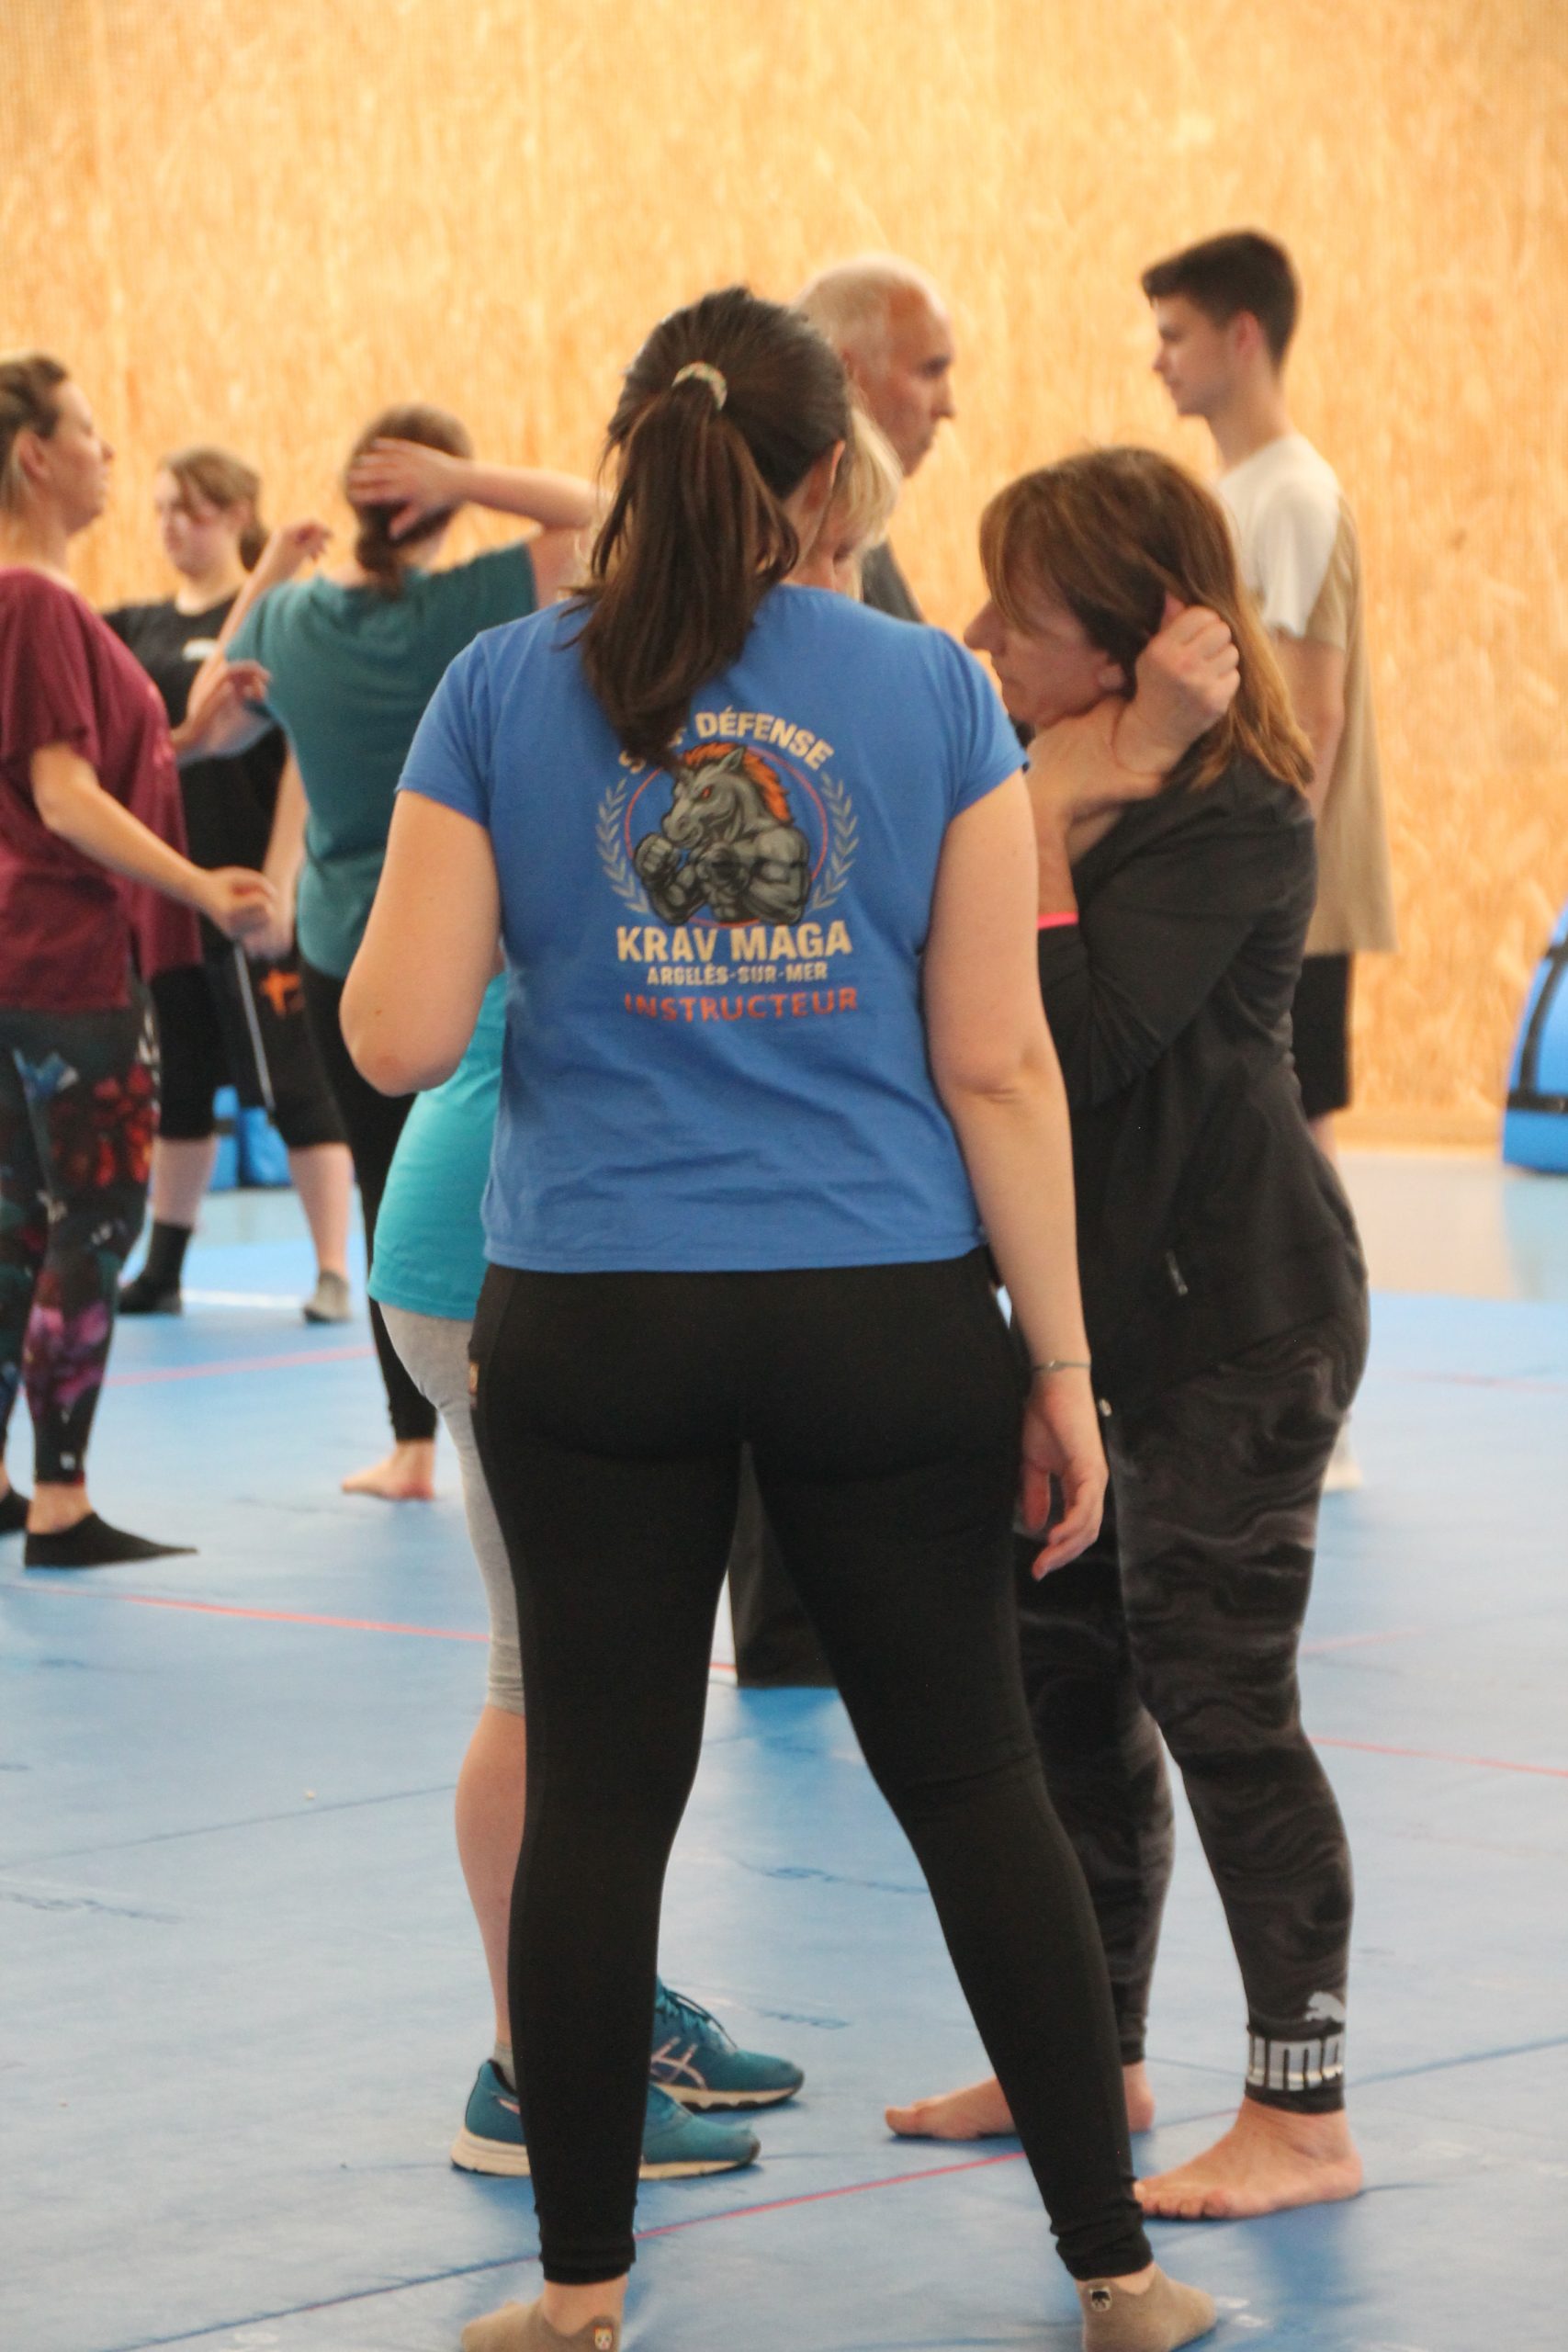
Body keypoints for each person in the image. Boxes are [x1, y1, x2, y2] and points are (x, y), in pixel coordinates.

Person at [344, 288, 1215, 2352]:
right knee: (973, 1777)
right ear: (833, 478)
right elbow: (998, 1063)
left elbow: (394, 1036)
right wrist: (1061, 1363)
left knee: (600, 1793)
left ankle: (577, 2289)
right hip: (874, 1311)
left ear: (630, 452)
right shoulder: (925, 690)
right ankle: (1117, 2273)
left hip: (598, 1314)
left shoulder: (503, 684)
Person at [886, 447, 1369, 2227]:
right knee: (1065, 1687)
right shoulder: (1061, 779)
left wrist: (1048, 793)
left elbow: (1068, 1046)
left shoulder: (1236, 813)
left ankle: (1302, 2115)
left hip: (1241, 1322)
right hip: (1092, 1329)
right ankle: (1087, 2054)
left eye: (1021, 616)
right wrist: (1061, 776)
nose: (981, 636)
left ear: (1135, 638)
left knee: (1220, 1700)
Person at [370, 978, 805, 2184]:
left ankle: (598, 1996)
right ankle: (539, 2068)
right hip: (502, 1257)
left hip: (519, 1240)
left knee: (585, 1676)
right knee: (549, 1681)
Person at [197, 409, 597, 1499]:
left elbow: (210, 705)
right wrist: (468, 475)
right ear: (438, 502)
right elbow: (597, 511)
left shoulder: (289, 622)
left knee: (389, 1185)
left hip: (347, 942)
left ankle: (412, 1443)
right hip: (473, 937)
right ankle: (515, 1398)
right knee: (510, 1168)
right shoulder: (473, 606)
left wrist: (267, 572)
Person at [0, 356, 273, 1567]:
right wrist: (199, 884)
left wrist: (183, 740)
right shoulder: (39, 602)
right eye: (88, 431)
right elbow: (62, 798)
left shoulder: (33, 607)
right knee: (96, 1214)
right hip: (64, 965)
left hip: (20, 960)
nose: (107, 454)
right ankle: (61, 1498)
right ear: (33, 456)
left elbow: (63, 771)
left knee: (17, 1221)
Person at [1143, 230, 1396, 1490]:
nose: (1157, 361)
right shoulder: (1233, 495)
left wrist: (1257, 896)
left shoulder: (1291, 496)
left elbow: (1310, 714)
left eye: (1174, 336)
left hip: (1279, 900)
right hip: (1236, 889)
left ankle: (1317, 1407)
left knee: (1291, 1138)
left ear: (1240, 338)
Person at [105, 447, 354, 1323]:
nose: (172, 524)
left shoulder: (274, 618)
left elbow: (301, 762)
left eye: (193, 508)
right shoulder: (135, 626)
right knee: (179, 1084)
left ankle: (333, 1269)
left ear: (238, 513)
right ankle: (163, 1266)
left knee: (296, 1082)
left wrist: (283, 878)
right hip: (173, 896)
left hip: (250, 891)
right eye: (162, 507)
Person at [795, 253, 955, 619]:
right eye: (930, 371)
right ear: (844, 372)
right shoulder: (814, 546)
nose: (948, 407)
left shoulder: (862, 533)